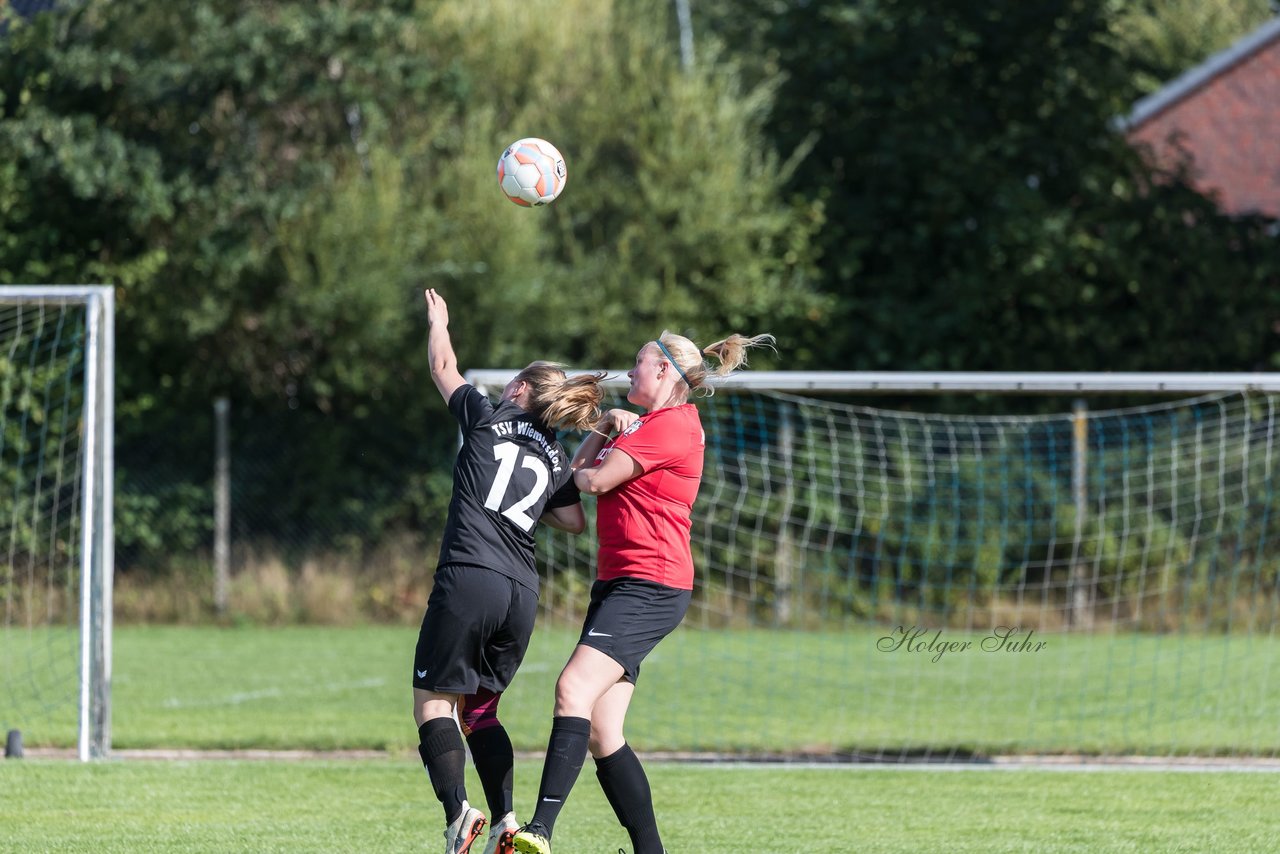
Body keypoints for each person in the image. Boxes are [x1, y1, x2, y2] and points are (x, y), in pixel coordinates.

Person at [511, 329, 775, 854]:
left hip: (648, 585)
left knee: (571, 691)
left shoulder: (669, 427)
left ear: (663, 374)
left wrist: (603, 428)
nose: (630, 372)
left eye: (639, 363)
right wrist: (605, 429)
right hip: (623, 584)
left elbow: (588, 483)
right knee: (603, 730)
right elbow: (584, 477)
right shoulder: (658, 424)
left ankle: (539, 831)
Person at [415, 288, 607, 854]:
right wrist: (546, 486)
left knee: (433, 700)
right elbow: (574, 522)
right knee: (480, 709)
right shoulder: (551, 454)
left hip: (469, 573)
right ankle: (506, 822)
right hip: (521, 592)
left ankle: (458, 815)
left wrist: (439, 321)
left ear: (520, 389)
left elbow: (442, 366)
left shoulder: (487, 414)